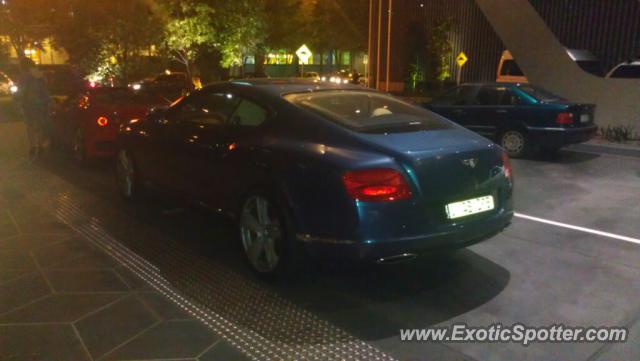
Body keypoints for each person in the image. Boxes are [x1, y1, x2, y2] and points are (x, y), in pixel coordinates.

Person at [16, 59, 51, 161]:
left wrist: (18, 102)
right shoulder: (39, 76)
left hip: (28, 104)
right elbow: (44, 89)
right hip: (41, 104)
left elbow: (20, 92)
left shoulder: (23, 77)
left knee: (30, 126)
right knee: (40, 124)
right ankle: (40, 144)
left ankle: (32, 147)